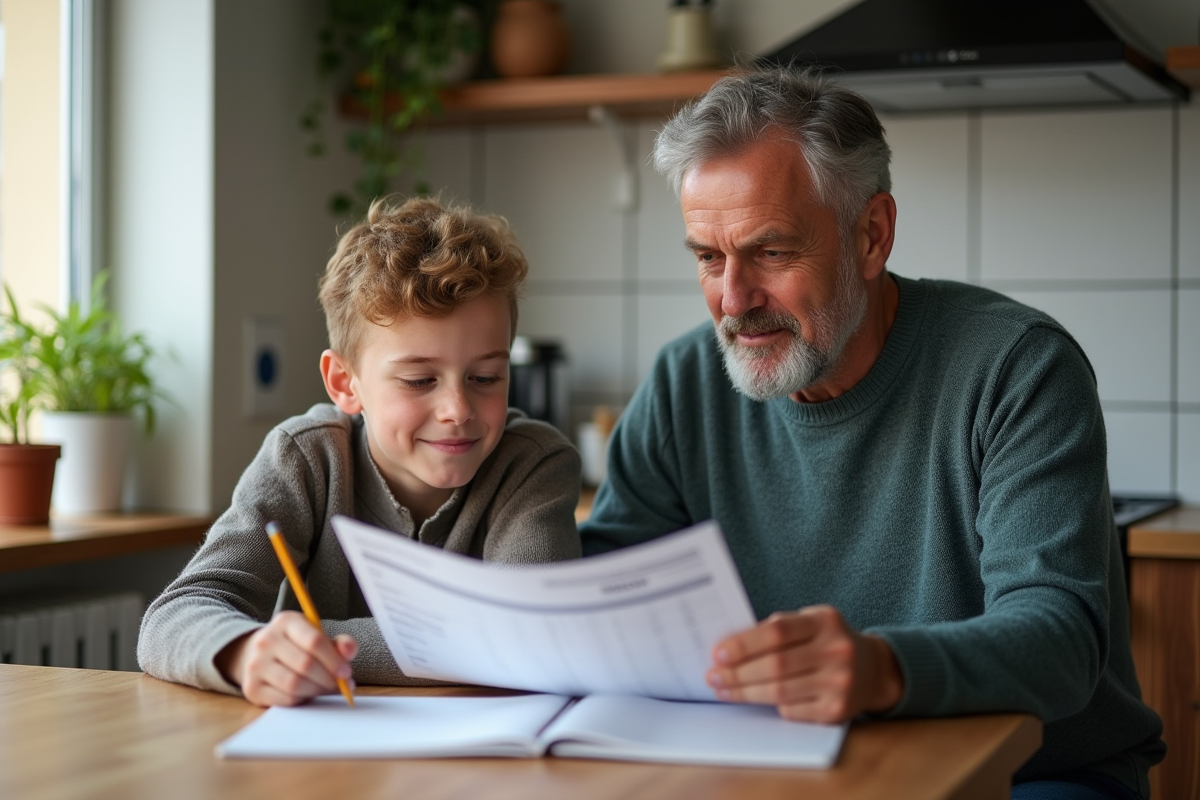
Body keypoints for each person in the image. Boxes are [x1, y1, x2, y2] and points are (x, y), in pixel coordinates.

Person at [580, 68, 1164, 800]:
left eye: (770, 252)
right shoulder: (683, 383)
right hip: (778, 769)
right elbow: (599, 595)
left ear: (871, 235)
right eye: (707, 257)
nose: (732, 300)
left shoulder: (1017, 366)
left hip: (1035, 776)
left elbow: (1061, 640)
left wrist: (882, 668)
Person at [139, 196, 581, 707]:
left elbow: (525, 636)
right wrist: (244, 649)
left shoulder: (535, 463)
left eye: (486, 377)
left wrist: (316, 641)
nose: (458, 409)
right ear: (345, 383)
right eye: (419, 380)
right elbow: (174, 616)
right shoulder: (304, 458)